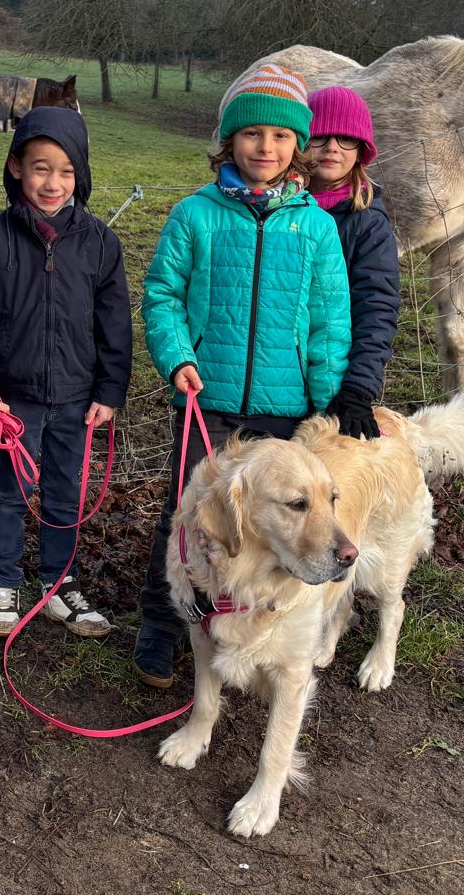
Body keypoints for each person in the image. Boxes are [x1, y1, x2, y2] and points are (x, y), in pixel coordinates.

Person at [131, 63, 351, 687]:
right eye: (252, 133)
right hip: (209, 399)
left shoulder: (315, 226)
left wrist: (325, 399)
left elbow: (330, 317)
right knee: (190, 517)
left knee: (276, 524)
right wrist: (178, 356)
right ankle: (164, 620)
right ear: (230, 141)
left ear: (296, 146)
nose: (265, 147)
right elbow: (162, 295)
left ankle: (260, 627)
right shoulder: (194, 215)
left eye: (280, 136)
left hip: (284, 409)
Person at [0, 106, 132, 637]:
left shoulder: (100, 243)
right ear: (15, 167)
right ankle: (2, 581)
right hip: (16, 399)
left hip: (79, 397)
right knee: (11, 491)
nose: (52, 183)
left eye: (66, 171)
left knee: (64, 493)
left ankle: (59, 584)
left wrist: (110, 390)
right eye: (40, 168)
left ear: (81, 174)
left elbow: (115, 323)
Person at [304, 86, 402, 440]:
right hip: (278, 375)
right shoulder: (279, 209)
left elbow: (377, 306)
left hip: (335, 380)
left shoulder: (367, 223)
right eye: (320, 136)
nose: (332, 147)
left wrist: (358, 388)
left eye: (346, 138)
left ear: (361, 149)